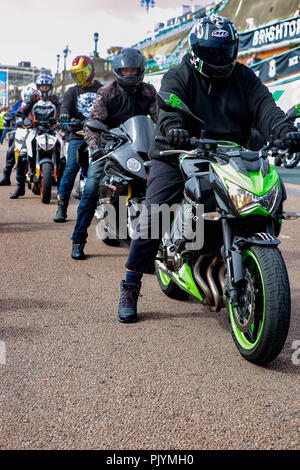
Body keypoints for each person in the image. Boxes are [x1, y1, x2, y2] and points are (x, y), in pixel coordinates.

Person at [117, 14, 300, 323]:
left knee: (269, 195)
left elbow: (266, 107)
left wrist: (284, 132)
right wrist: (173, 127)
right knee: (156, 212)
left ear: (234, 49)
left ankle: (245, 253)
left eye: (224, 51)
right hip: (178, 151)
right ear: (196, 50)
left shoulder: (244, 77)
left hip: (231, 153)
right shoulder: (179, 75)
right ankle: (130, 284)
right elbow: (168, 109)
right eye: (211, 51)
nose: (218, 57)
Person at [70, 47, 158, 260]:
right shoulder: (106, 92)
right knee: (91, 188)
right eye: (125, 70)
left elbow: (159, 118)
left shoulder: (149, 91)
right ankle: (78, 239)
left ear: (140, 70)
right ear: (118, 70)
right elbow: (94, 122)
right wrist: (96, 146)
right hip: (110, 147)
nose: (129, 74)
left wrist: (169, 133)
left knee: (162, 184)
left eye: (133, 70)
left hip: (141, 146)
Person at [53, 55, 102, 222]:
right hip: (78, 135)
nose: (79, 78)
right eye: (77, 75)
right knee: (71, 168)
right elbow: (65, 108)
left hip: (99, 135)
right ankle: (62, 206)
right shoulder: (71, 92)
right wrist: (64, 115)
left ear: (90, 71)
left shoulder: (101, 89)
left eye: (82, 74)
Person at [9, 75, 60, 199]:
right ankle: (20, 186)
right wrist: (20, 119)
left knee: (62, 156)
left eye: (46, 86)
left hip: (52, 130)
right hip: (34, 130)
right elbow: (23, 111)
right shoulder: (33, 98)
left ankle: (62, 188)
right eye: (42, 86)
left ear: (51, 87)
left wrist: (64, 119)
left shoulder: (55, 99)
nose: (44, 88)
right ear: (38, 87)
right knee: (22, 155)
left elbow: (63, 111)